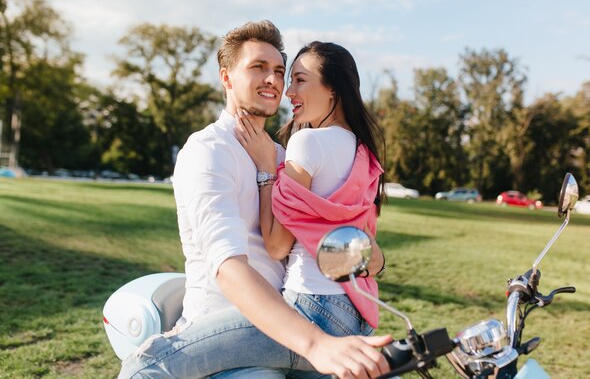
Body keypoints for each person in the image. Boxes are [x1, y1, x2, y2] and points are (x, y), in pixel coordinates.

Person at [117, 21, 391, 379]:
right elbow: (228, 269)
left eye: (280, 71)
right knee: (141, 369)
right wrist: (313, 342)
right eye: (258, 68)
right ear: (227, 78)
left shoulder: (285, 156)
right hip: (230, 321)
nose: (275, 81)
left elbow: (324, 238)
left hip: (293, 323)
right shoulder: (208, 150)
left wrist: (368, 258)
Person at [234, 40, 387, 340]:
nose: (288, 92)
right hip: (357, 312)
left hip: (311, 306)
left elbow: (277, 246)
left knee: (164, 356)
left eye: (300, 80)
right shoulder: (365, 155)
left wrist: (267, 171)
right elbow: (373, 256)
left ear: (333, 89)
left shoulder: (307, 142)